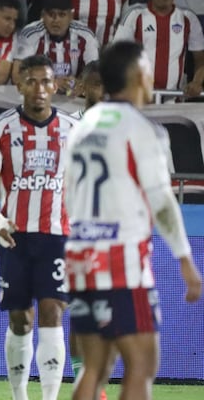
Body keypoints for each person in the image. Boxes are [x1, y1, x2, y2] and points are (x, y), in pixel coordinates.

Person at [63, 41, 201, 400]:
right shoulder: (143, 129)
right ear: (140, 76)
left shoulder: (81, 127)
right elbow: (161, 199)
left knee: (94, 368)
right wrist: (185, 259)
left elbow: (68, 193)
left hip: (80, 253)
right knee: (141, 363)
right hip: (120, 258)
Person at [0, 55, 76, 400]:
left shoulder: (73, 129)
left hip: (57, 234)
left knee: (52, 311)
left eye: (46, 81)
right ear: (19, 85)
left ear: (55, 85)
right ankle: (19, 396)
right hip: (13, 235)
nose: (39, 89)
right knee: (20, 319)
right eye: (31, 81)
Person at [114, 0, 204, 96]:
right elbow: (116, 55)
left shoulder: (188, 18)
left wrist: (197, 82)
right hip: (139, 98)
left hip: (174, 98)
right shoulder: (135, 15)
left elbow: (200, 58)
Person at [10, 0, 99, 95]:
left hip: (72, 99)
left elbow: (95, 73)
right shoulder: (30, 34)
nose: (56, 20)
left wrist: (81, 83)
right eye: (51, 14)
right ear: (43, 15)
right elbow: (16, 76)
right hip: (38, 94)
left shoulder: (86, 35)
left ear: (71, 16)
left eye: (62, 15)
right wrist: (50, 83)